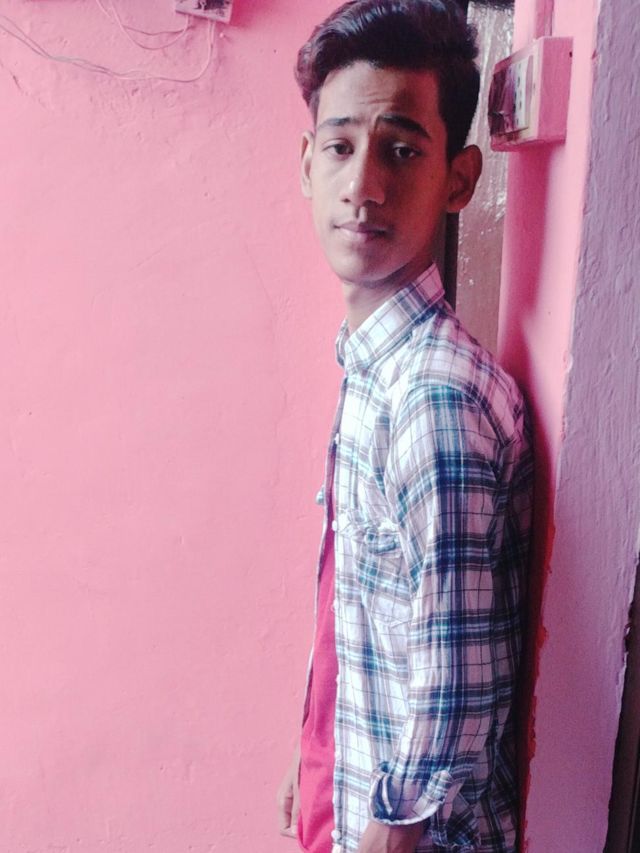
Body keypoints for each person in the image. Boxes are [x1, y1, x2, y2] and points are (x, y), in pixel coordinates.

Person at [276, 2, 533, 851]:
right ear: (308, 164)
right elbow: (363, 610)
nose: (365, 186)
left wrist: (387, 831)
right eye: (341, 148)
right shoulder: (374, 365)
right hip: (351, 791)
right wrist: (316, 751)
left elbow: (457, 690)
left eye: (401, 149)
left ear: (459, 179)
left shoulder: (432, 398)